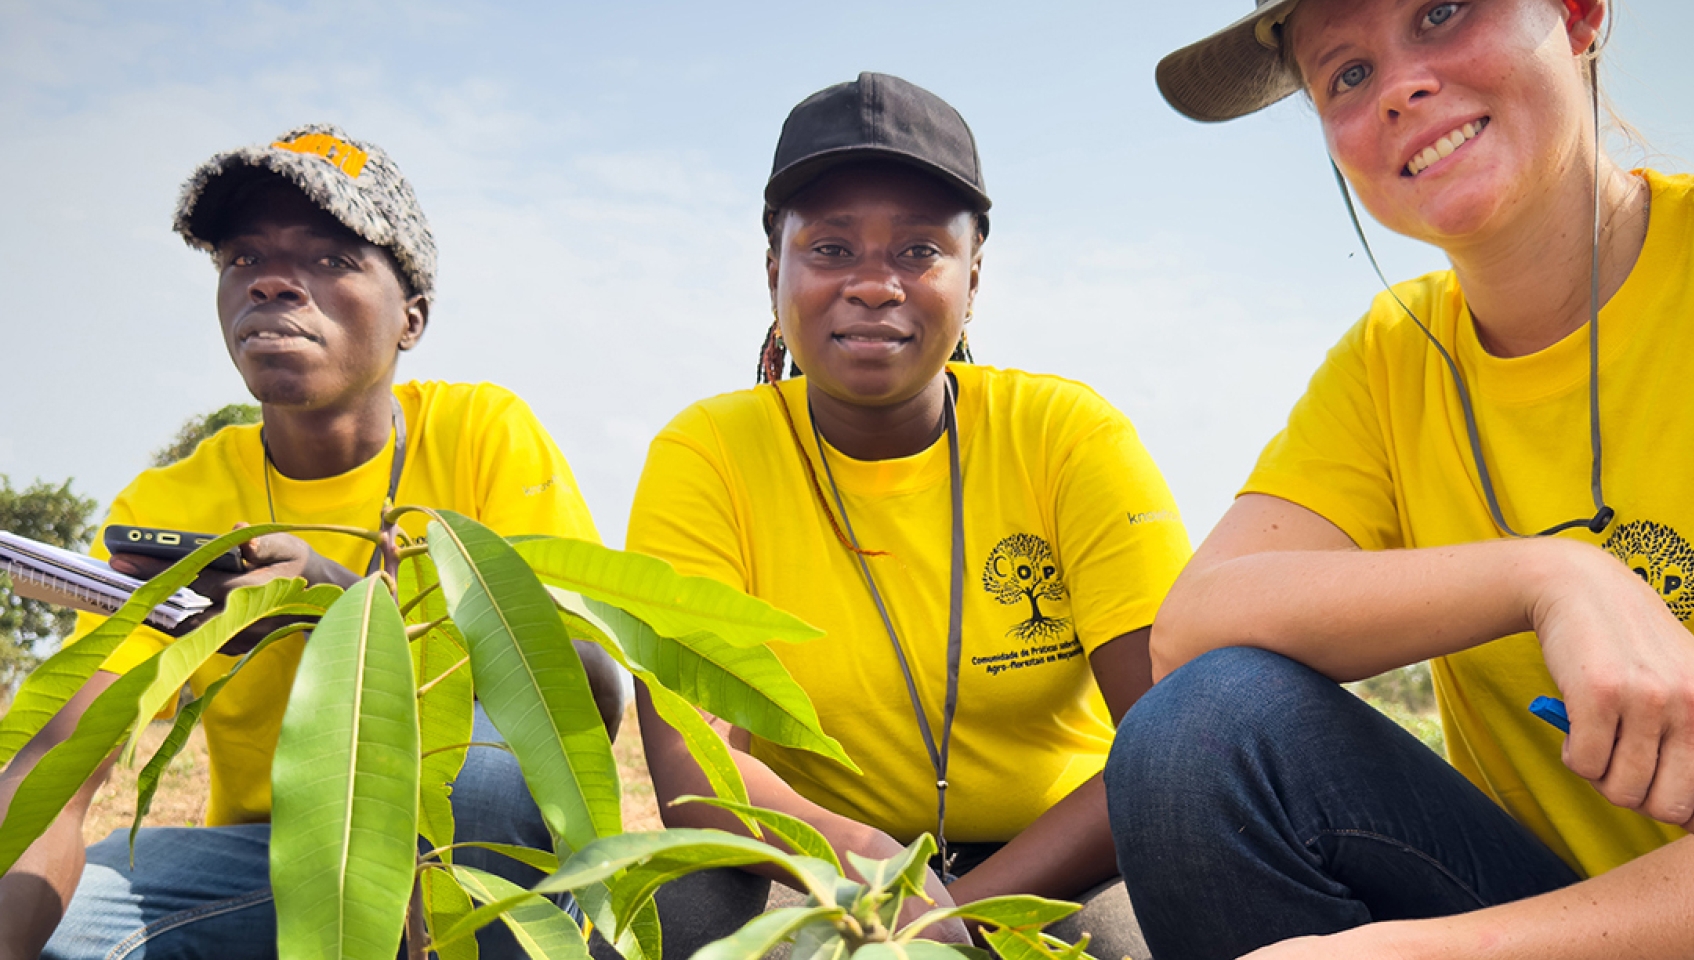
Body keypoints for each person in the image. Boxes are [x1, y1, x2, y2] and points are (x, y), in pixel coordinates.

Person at [1107, 1, 1694, 959]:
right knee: (1203, 728)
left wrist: (1401, 954)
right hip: (1543, 903)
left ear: (1577, 15)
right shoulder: (1394, 355)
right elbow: (1193, 627)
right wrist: (1553, 575)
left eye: (1442, 12)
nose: (1401, 87)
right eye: (1347, 74)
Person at [0, 124, 625, 959]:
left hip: (457, 849)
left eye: (331, 258)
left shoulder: (484, 433)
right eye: (244, 258)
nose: (272, 283)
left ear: (411, 317)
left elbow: (588, 690)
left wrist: (341, 603)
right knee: (63, 925)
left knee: (481, 768)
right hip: (270, 860)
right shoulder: (173, 499)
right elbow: (55, 763)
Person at [625, 73, 1190, 958]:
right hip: (815, 862)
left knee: (1128, 938)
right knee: (680, 914)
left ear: (974, 279)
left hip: (1060, 858)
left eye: (920, 250)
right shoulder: (707, 454)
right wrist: (866, 864)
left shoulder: (1068, 437)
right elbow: (695, 769)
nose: (874, 285)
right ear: (774, 273)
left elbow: (1172, 746)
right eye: (831, 248)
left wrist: (947, 917)